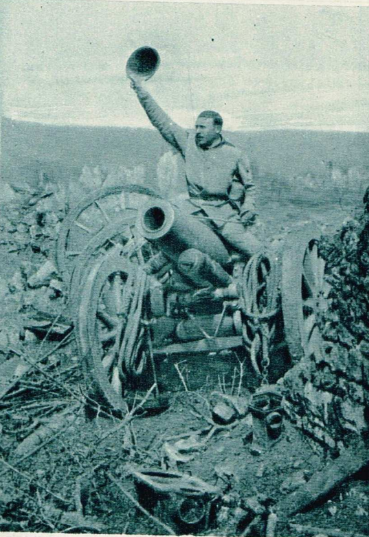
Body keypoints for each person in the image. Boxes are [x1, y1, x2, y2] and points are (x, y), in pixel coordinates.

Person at [129, 77, 262, 258]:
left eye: (203, 127)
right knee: (161, 233)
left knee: (251, 248)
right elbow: (161, 121)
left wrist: (248, 207)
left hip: (223, 213)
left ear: (217, 129)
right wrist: (140, 90)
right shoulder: (188, 142)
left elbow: (250, 187)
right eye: (196, 127)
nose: (198, 131)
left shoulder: (235, 155)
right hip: (190, 208)